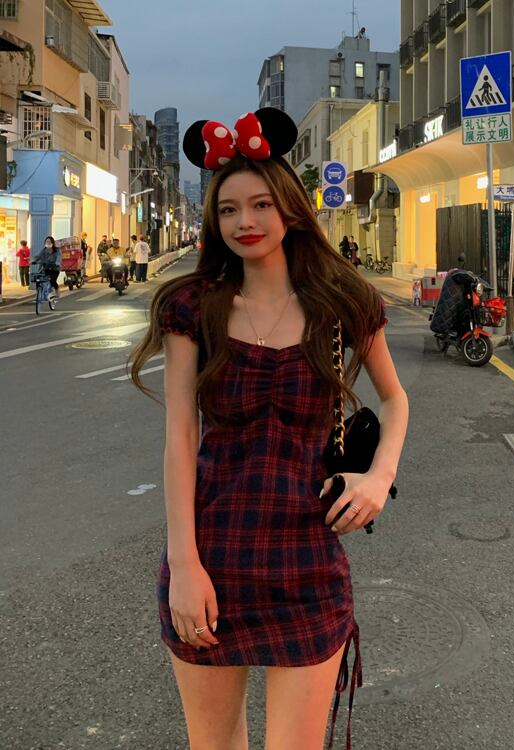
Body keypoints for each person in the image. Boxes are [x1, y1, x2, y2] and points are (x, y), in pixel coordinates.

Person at [129, 107, 409, 750]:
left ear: (290, 210)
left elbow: (395, 400)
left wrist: (377, 478)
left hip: (307, 560)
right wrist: (184, 564)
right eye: (228, 210)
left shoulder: (343, 303)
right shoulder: (192, 307)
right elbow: (180, 438)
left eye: (260, 205)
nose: (245, 222)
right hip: (212, 557)